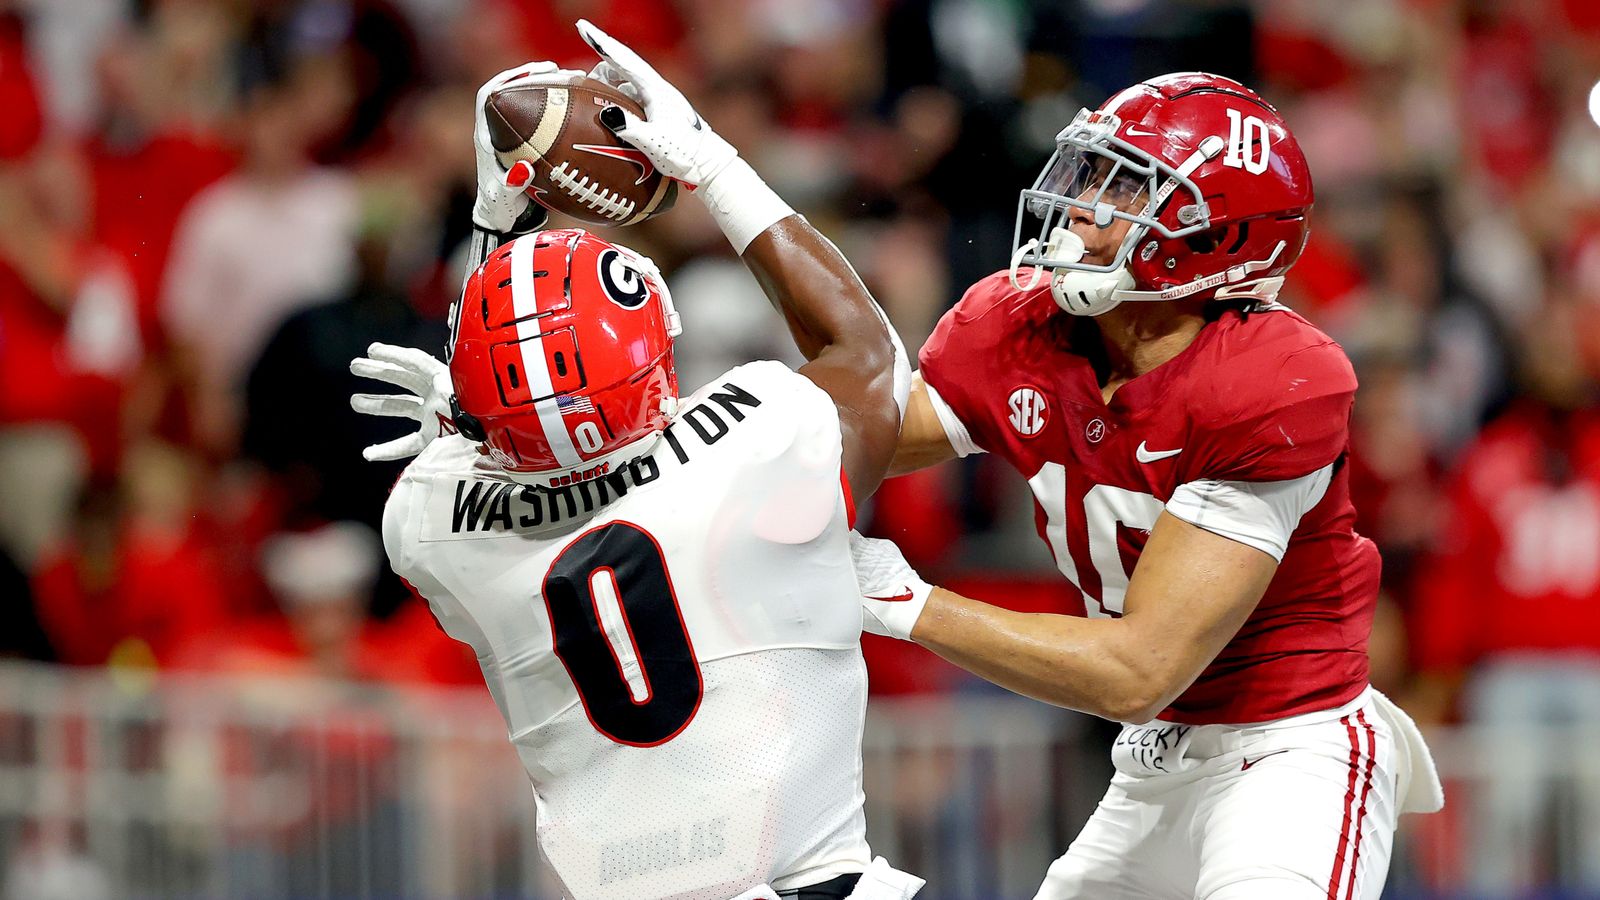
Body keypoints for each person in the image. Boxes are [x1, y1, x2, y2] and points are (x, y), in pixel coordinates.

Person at [352, 24, 922, 900]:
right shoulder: (755, 437)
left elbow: (499, 430)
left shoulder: (429, 519)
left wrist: (489, 239)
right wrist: (713, 164)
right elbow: (872, 353)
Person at [839, 75, 1445, 899]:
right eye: (1091, 177)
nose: (1083, 210)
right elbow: (851, 446)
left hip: (1289, 752)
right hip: (1155, 759)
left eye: (1125, 187)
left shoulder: (1269, 379)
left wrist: (907, 604)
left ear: (1212, 232)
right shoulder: (1028, 334)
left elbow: (1138, 668)